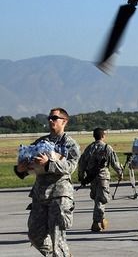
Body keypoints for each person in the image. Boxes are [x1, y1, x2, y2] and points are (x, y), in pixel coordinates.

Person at [14, 107, 80, 257]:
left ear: (64, 122)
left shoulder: (70, 144)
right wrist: (21, 168)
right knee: (35, 235)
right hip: (40, 195)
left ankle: (60, 253)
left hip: (60, 195)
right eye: (49, 118)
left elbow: (70, 166)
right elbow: (28, 161)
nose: (51, 120)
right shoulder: (41, 142)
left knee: (57, 238)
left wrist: (49, 163)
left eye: (54, 118)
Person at [78, 127, 123, 232]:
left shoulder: (89, 148)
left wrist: (81, 177)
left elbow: (82, 163)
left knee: (98, 199)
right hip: (103, 177)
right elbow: (114, 163)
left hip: (92, 178)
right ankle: (96, 222)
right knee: (101, 200)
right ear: (103, 136)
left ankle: (100, 219)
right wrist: (120, 173)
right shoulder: (107, 148)